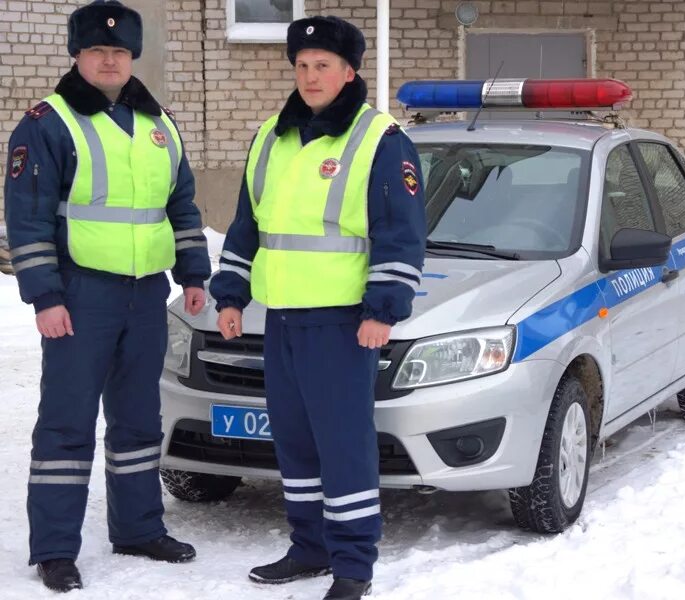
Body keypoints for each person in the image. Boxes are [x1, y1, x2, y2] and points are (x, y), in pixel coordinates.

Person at [209, 14, 426, 600]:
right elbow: (247, 227)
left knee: (343, 442)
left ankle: (353, 562)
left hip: (341, 321)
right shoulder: (270, 138)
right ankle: (309, 547)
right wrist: (231, 297)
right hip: (279, 318)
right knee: (295, 441)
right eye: (302, 66)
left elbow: (400, 235)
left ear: (348, 70)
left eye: (322, 66)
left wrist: (384, 309)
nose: (310, 77)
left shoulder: (380, 140)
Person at [3, 0, 211, 592]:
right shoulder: (48, 122)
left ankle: (139, 527)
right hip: (80, 293)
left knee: (140, 419)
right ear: (78, 55)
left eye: (119, 51)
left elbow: (182, 206)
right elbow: (28, 218)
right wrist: (45, 296)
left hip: (145, 294)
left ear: (132, 56)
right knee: (66, 426)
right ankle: (55, 548)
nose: (109, 60)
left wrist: (194, 274)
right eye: (98, 50)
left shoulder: (159, 124)